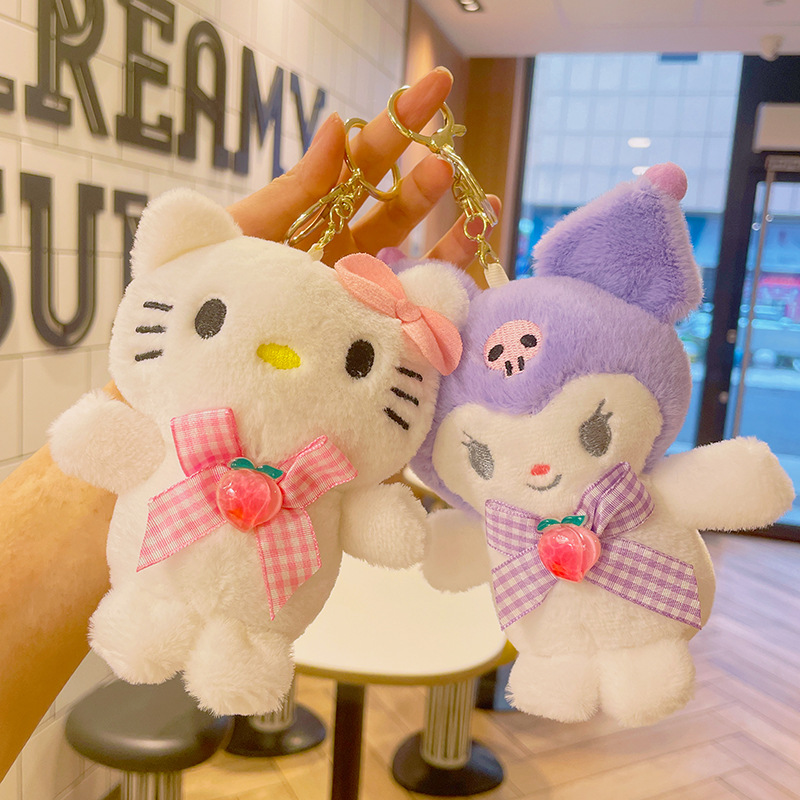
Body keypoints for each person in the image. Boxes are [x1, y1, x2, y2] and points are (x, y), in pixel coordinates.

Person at [0, 66, 499, 780]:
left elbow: (381, 525)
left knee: (246, 649)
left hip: (261, 606)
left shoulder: (328, 465)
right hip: (158, 577)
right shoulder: (180, 413)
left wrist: (389, 519)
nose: (281, 356)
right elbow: (101, 442)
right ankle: (150, 612)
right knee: (150, 617)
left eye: (362, 360)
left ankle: (240, 651)